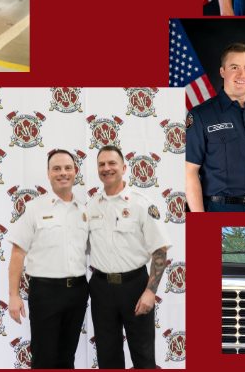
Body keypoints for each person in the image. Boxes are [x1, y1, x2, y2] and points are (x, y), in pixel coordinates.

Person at [86, 146, 172, 369]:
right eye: (102, 164)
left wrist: (150, 291)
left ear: (123, 168)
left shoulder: (141, 203)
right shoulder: (90, 206)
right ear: (97, 169)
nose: (107, 168)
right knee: (107, 356)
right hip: (101, 288)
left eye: (112, 163)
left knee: (143, 356)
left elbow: (160, 251)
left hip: (135, 287)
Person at [6, 150, 90, 369]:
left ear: (75, 172)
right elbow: (17, 253)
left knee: (67, 356)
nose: (63, 173)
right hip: (45, 293)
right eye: (57, 168)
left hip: (78, 291)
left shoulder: (83, 211)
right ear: (49, 174)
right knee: (43, 358)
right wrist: (13, 295)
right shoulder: (34, 208)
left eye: (67, 168)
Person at [185, 43, 245, 212]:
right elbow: (190, 171)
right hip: (218, 209)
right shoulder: (200, 115)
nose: (242, 74)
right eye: (234, 67)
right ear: (222, 71)